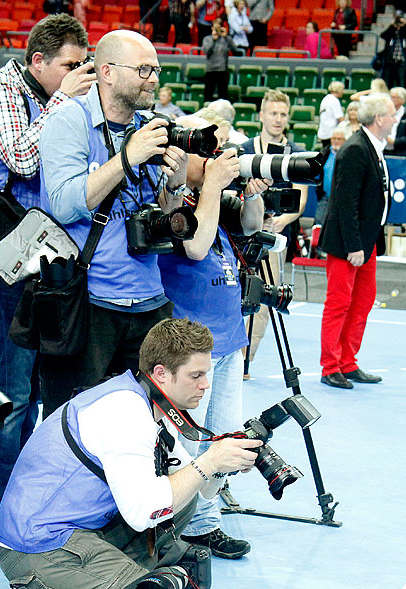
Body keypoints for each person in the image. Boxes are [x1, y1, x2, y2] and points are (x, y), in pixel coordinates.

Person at [0, 317, 262, 589]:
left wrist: (223, 463)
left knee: (183, 497)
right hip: (37, 550)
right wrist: (207, 462)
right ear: (162, 373)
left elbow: (200, 489)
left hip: (73, 531)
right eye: (196, 376)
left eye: (206, 373)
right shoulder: (125, 415)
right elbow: (142, 513)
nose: (205, 384)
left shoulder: (141, 396)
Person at [0, 14, 92, 550]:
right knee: (15, 387)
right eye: (69, 64)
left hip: (52, 258)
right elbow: (22, 156)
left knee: (46, 390)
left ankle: (32, 505)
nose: (79, 73)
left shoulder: (59, 95)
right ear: (38, 61)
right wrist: (66, 100)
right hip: (8, 259)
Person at [37, 29, 190, 417]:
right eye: (143, 69)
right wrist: (127, 157)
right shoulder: (68, 120)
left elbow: (160, 212)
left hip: (149, 300)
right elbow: (63, 203)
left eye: (155, 69)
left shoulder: (152, 125)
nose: (153, 78)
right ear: (106, 71)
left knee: (145, 423)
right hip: (89, 302)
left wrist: (175, 182)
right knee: (71, 422)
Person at [159, 111, 270, 559]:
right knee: (188, 442)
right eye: (209, 150)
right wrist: (211, 186)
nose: (218, 159)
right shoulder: (171, 200)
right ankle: (188, 526)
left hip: (228, 339)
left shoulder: (213, 199)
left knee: (222, 437)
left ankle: (205, 522)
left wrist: (250, 192)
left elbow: (251, 225)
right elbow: (194, 246)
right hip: (192, 344)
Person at [318, 93, 396, 389]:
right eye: (391, 115)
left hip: (366, 241)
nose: (394, 120)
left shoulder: (372, 147)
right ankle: (330, 366)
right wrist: (353, 246)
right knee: (339, 303)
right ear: (379, 119)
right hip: (349, 245)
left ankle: (348, 361)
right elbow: (344, 203)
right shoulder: (355, 149)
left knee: (362, 302)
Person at [240, 89, 308, 371]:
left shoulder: (297, 154)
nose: (278, 119)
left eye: (283, 114)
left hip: (274, 236)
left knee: (264, 298)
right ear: (262, 116)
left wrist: (283, 220)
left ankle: (245, 359)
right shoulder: (244, 149)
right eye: (273, 114)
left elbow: (300, 197)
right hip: (241, 233)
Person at [314, 124, 348, 226]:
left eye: (339, 139)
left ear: (345, 140)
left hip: (342, 198)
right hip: (325, 197)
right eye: (334, 138)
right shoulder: (323, 154)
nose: (336, 141)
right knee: (319, 222)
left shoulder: (349, 155)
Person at [201, 18, 236, 102]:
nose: (216, 30)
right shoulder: (207, 39)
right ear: (212, 28)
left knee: (223, 95)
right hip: (211, 70)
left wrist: (226, 37)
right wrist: (213, 40)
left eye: (218, 27)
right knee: (208, 94)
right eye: (214, 28)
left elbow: (235, 49)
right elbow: (206, 51)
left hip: (222, 70)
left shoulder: (226, 39)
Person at [377, 12, 406, 89]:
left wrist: (404, 26)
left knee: (402, 84)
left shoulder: (404, 31)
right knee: (387, 85)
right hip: (390, 61)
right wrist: (392, 26)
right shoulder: (391, 31)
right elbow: (383, 35)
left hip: (402, 62)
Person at [386, 86, 406, 157]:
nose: (390, 99)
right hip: (385, 151)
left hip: (401, 154)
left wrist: (394, 142)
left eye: (393, 97)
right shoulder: (383, 113)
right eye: (390, 97)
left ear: (402, 100)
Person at [317, 80, 344, 148]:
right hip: (330, 133)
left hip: (323, 132)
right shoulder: (334, 100)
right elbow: (340, 118)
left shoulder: (326, 98)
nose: (343, 92)